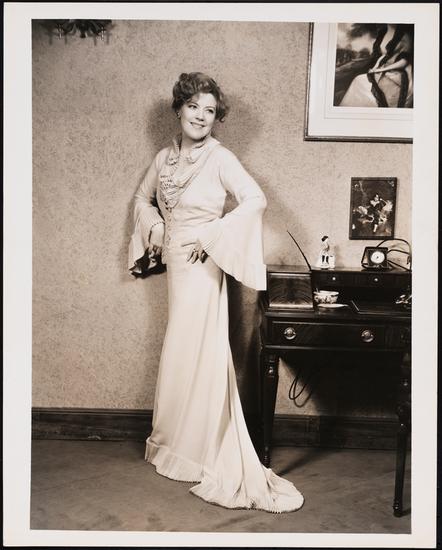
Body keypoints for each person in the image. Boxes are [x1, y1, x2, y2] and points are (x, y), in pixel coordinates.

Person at [128, 72, 304, 513]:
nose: (201, 117)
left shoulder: (221, 158)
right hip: (176, 264)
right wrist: (156, 228)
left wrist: (212, 236)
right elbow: (142, 201)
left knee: (201, 347)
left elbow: (255, 200)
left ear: (215, 117)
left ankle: (199, 446)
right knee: (181, 346)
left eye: (210, 111)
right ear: (179, 109)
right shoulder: (163, 158)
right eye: (194, 107)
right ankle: (176, 442)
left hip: (203, 267)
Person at [340, 24, 413, 108]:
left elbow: (404, 62)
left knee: (362, 84)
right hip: (383, 68)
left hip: (397, 73)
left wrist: (380, 70)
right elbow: (383, 56)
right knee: (358, 80)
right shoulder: (383, 32)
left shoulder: (405, 36)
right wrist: (375, 68)